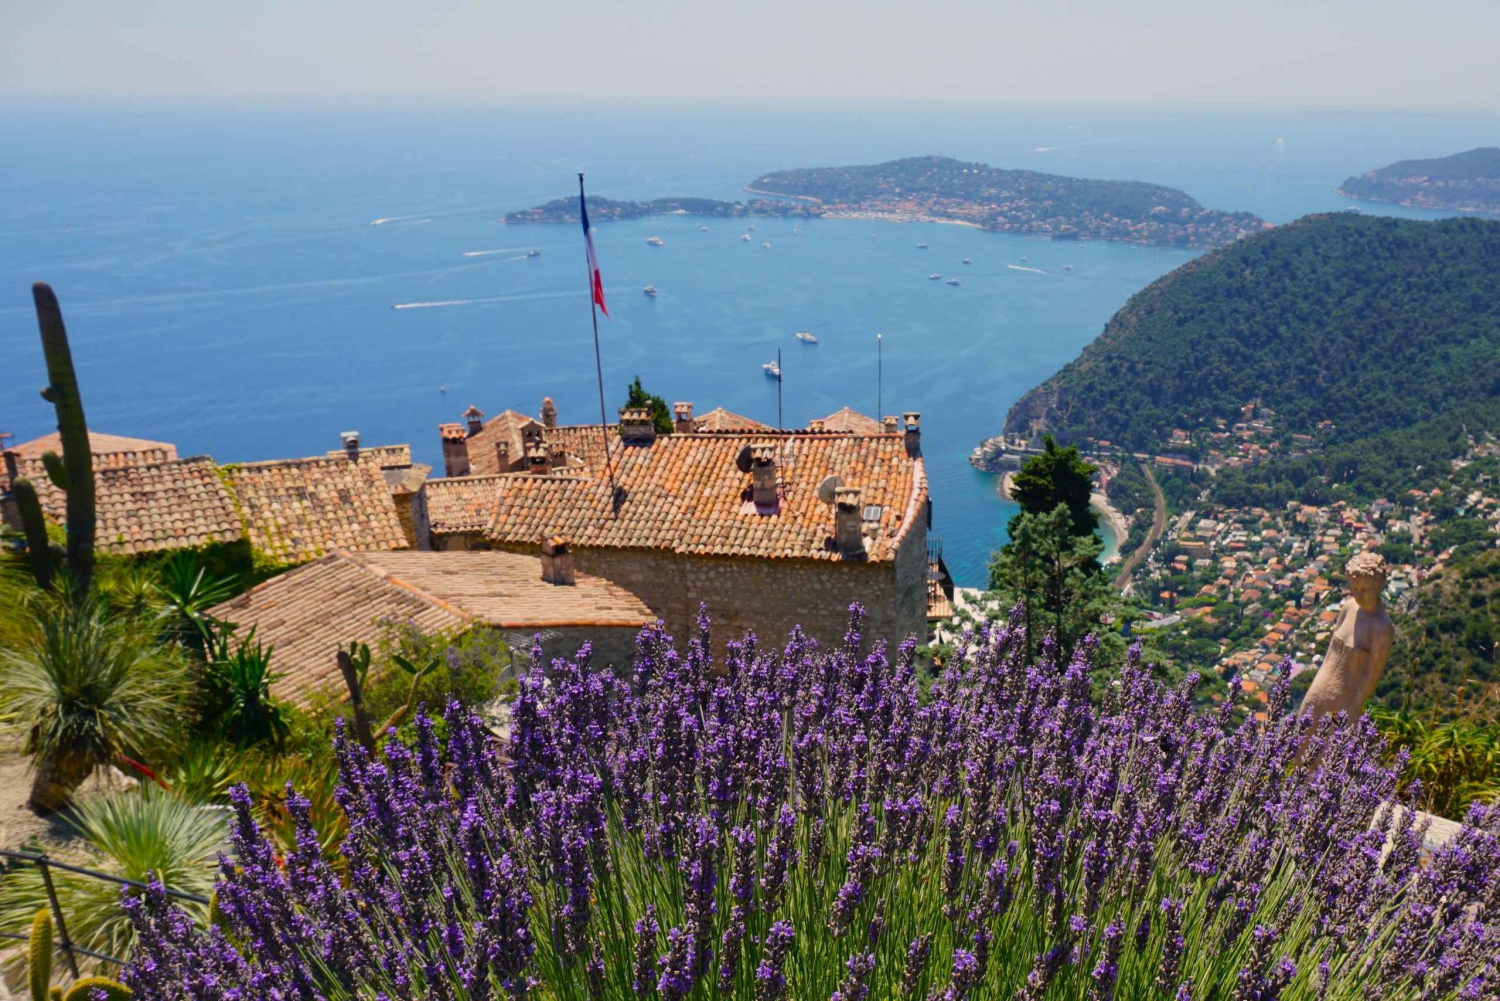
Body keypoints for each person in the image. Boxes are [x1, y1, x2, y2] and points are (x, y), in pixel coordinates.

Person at [1300, 551, 1394, 723]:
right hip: (1317, 691)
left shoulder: (1382, 628)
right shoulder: (1348, 607)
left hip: (1344, 702)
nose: (1359, 595)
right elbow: (1329, 654)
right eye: (1355, 588)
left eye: (1365, 589)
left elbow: (1371, 676)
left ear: (1379, 586)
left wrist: (1354, 706)